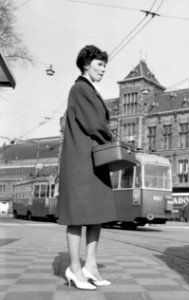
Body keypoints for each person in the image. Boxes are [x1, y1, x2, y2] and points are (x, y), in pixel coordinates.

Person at [57, 45, 117, 290]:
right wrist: (113, 138)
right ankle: (74, 267)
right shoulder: (80, 88)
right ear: (86, 64)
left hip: (92, 159)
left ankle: (90, 265)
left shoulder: (89, 89)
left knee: (96, 215)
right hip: (82, 161)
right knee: (78, 216)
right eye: (99, 64)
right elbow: (94, 124)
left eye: (104, 65)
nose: (103, 69)